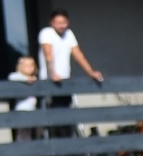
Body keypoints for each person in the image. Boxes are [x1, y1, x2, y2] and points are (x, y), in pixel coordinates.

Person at [38, 9, 101, 140]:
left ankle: (68, 150)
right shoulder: (46, 33)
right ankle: (57, 151)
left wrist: (91, 72)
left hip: (65, 82)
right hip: (49, 82)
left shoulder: (69, 34)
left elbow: (78, 55)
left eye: (64, 22)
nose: (61, 25)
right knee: (54, 117)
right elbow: (48, 55)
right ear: (52, 23)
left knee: (66, 116)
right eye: (58, 22)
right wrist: (52, 73)